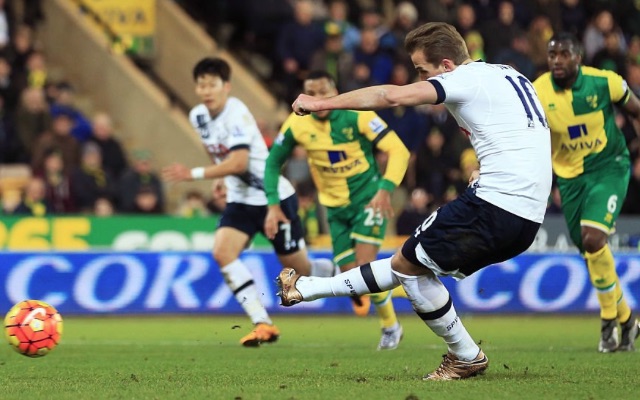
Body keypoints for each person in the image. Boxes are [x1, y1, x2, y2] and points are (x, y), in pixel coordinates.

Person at [276, 22, 552, 380]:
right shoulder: (507, 74)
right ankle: (304, 289)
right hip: (528, 215)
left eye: (423, 71)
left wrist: (321, 103)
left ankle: (466, 355)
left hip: (496, 204)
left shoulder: (463, 80)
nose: (420, 78)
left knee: (407, 266)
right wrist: (487, 166)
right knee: (408, 263)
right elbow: (527, 130)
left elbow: (390, 97)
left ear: (447, 65)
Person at [162, 57, 334, 347]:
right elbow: (220, 155)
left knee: (301, 270)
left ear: (226, 86)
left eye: (212, 84)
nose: (206, 91)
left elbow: (240, 162)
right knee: (222, 252)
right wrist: (222, 179)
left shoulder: (236, 113)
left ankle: (349, 278)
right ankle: (262, 323)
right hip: (241, 200)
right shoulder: (198, 116)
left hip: (274, 198)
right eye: (201, 85)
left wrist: (193, 174)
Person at [264, 71, 411, 350]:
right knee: (352, 276)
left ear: (335, 91)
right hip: (334, 210)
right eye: (311, 92)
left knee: (363, 268)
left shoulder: (359, 115)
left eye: (323, 92)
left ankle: (390, 327)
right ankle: (405, 295)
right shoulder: (296, 124)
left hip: (368, 200)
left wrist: (385, 189)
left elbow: (399, 150)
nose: (317, 98)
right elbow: (272, 164)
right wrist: (272, 203)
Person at [533, 32, 640, 353]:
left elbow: (636, 110)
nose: (557, 61)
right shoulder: (538, 91)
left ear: (578, 57)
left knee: (594, 239)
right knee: (590, 251)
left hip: (609, 167)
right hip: (569, 178)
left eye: (564, 54)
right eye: (552, 55)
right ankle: (627, 319)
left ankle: (608, 321)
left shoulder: (605, 82)